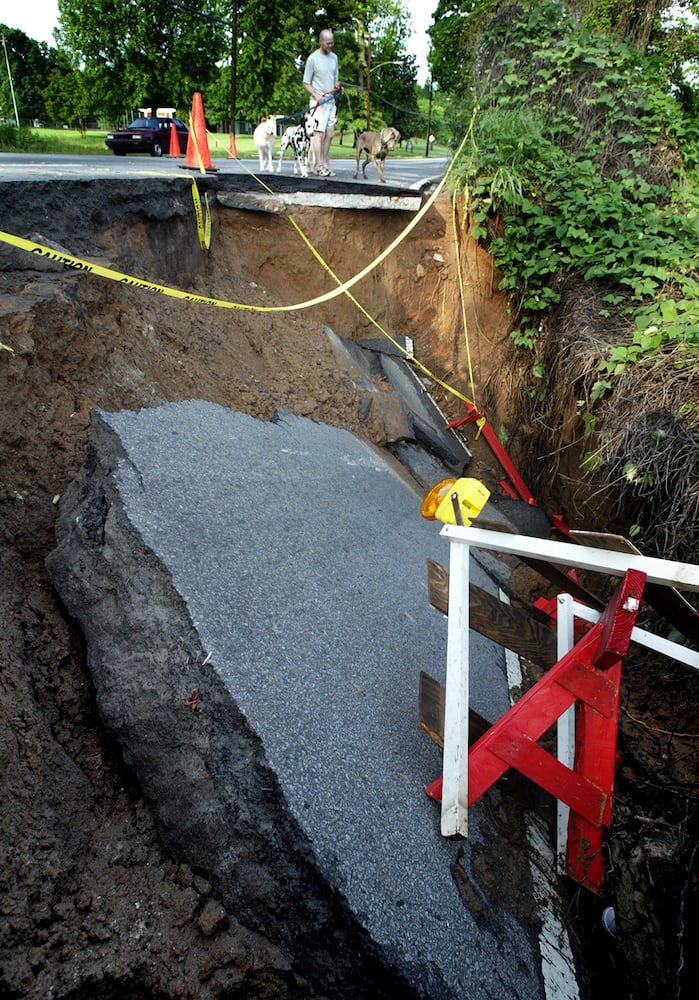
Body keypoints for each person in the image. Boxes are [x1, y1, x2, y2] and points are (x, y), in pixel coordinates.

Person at [303, 29, 341, 177]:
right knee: (319, 133)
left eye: (332, 42)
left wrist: (338, 87)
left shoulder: (334, 58)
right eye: (328, 43)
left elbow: (335, 78)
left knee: (330, 133)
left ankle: (324, 162)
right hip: (318, 102)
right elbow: (306, 83)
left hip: (331, 101)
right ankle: (318, 165)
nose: (331, 45)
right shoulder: (313, 59)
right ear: (321, 42)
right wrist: (315, 94)